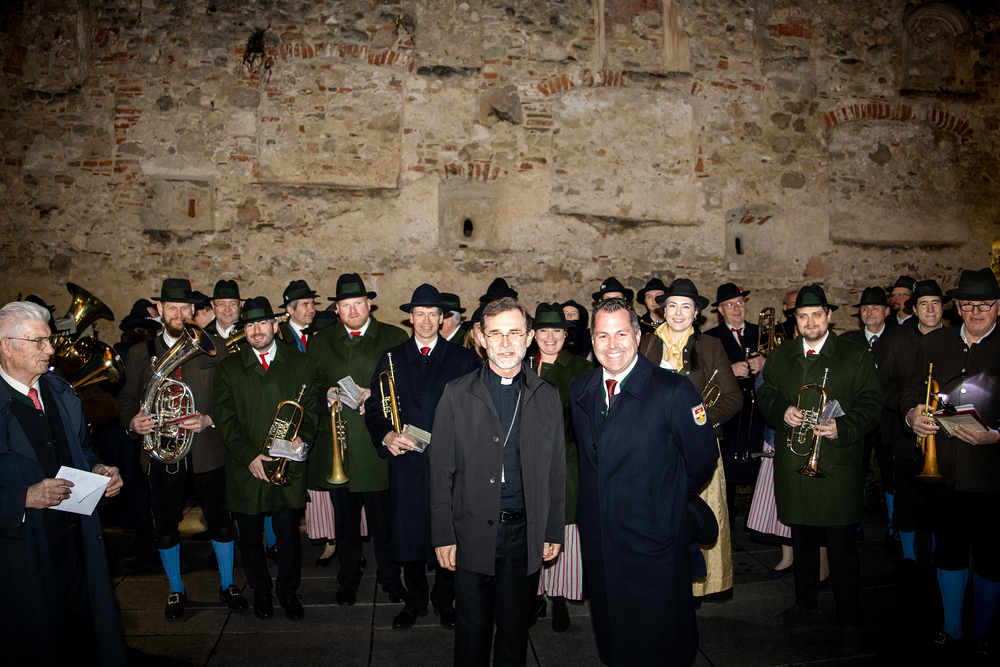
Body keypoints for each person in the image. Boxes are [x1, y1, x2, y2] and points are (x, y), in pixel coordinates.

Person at [570, 298, 719, 666]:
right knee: (613, 629)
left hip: (653, 535)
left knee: (660, 634)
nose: (612, 345)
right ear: (592, 339)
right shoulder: (581, 389)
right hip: (601, 536)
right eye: (602, 336)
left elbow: (702, 458)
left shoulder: (673, 390)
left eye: (621, 334)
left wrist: (662, 501)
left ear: (638, 336)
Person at [430, 297, 565, 667]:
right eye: (496, 334)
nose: (506, 343)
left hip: (525, 534)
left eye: (515, 333)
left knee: (514, 633)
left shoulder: (547, 395)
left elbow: (556, 471)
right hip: (472, 531)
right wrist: (443, 535)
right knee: (471, 632)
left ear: (529, 338)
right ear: (481, 338)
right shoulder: (457, 393)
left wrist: (552, 529)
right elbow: (439, 471)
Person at [0, 300, 128, 667]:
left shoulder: (59, 391)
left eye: (49, 340)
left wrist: (99, 470)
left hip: (76, 547)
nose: (50, 350)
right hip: (22, 559)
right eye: (38, 341)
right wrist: (24, 497)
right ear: (7, 346)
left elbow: (81, 451)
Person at [757, 285, 883, 656]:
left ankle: (849, 619)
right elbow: (766, 394)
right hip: (795, 464)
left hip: (836, 466)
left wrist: (842, 427)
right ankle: (805, 603)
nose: (810, 322)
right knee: (803, 539)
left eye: (816, 314)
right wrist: (781, 411)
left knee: (842, 546)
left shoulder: (854, 356)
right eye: (802, 315)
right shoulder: (781, 355)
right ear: (794, 319)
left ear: (829, 316)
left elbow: (872, 405)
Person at [117, 278, 243, 621]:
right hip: (162, 452)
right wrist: (133, 422)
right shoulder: (141, 352)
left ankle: (228, 583)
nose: (178, 313)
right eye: (171, 308)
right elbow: (126, 398)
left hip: (207, 449)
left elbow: (232, 396)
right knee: (165, 525)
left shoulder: (215, 347)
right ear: (160, 309)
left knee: (220, 520)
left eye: (184, 308)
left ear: (193, 310)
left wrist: (209, 419)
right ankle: (175, 588)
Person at [363, 284, 481, 630]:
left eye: (433, 314)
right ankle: (415, 600)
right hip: (407, 463)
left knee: (449, 530)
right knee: (410, 533)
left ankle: (445, 599)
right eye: (420, 314)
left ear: (443, 318)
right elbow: (375, 407)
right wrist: (387, 435)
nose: (426, 320)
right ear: (410, 318)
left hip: (451, 465)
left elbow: (477, 409)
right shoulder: (391, 358)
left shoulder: (463, 359)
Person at [902, 268, 1000, 656]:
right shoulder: (935, 342)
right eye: (968, 305)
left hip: (993, 470)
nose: (976, 312)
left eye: (985, 304)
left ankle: (984, 630)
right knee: (948, 549)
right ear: (957, 307)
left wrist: (996, 434)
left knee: (992, 555)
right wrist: (912, 414)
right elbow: (913, 388)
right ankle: (952, 626)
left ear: (998, 307)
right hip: (943, 469)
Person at [213, 296, 319, 621]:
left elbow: (311, 411)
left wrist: (303, 438)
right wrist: (249, 456)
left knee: (288, 537)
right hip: (246, 467)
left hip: (286, 465)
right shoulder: (229, 367)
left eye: (262, 323)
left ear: (275, 325)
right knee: (249, 538)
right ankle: (261, 592)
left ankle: (287, 592)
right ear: (243, 330)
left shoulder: (301, 363)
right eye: (249, 325)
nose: (256, 330)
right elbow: (225, 418)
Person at [308, 273, 408, 606]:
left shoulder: (394, 337)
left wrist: (375, 396)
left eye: (358, 304)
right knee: (345, 524)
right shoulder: (320, 342)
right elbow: (309, 387)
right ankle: (348, 578)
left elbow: (406, 389)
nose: (352, 311)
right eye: (345, 305)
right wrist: (325, 395)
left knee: (385, 523)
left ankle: (391, 578)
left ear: (369, 304)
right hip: (340, 449)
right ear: (337, 309)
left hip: (377, 448)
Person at [638, 280, 742, 603]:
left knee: (696, 518)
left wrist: (698, 422)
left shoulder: (711, 346)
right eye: (672, 305)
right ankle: (662, 583)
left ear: (696, 312)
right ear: (663, 310)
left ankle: (698, 587)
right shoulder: (645, 344)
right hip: (655, 448)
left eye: (686, 306)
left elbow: (733, 398)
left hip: (699, 449)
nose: (678, 312)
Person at [528, 303, 593, 631]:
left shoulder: (582, 368)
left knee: (562, 529)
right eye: (543, 330)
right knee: (530, 529)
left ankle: (560, 597)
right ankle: (533, 594)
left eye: (557, 330)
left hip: (566, 461)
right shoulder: (521, 365)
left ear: (566, 334)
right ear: (533, 335)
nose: (550, 337)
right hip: (526, 464)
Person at [878, 279, 949, 576]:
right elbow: (884, 386)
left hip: (946, 435)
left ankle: (937, 553)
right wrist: (908, 411)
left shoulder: (956, 340)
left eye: (935, 303)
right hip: (906, 433)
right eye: (923, 304)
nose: (930, 309)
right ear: (915, 310)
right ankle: (908, 554)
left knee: (940, 502)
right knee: (905, 496)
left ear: (943, 307)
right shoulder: (897, 342)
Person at [705, 282, 766, 524]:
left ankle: (759, 517)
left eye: (740, 303)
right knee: (728, 464)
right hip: (728, 411)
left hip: (757, 409)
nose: (736, 308)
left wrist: (766, 363)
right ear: (720, 310)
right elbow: (704, 376)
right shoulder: (711, 337)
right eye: (729, 305)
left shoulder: (761, 333)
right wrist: (728, 370)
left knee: (758, 463)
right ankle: (727, 516)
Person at [840, 286, 894, 541]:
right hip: (857, 415)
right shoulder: (847, 340)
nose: (869, 312)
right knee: (855, 469)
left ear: (887, 311)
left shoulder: (898, 340)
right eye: (864, 308)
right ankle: (854, 521)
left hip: (889, 416)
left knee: (891, 471)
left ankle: (895, 525)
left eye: (875, 308)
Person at [279, 279, 318, 352]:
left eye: (312, 304)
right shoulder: (279, 336)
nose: (311, 310)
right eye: (305, 305)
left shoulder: (322, 330)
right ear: (290, 309)